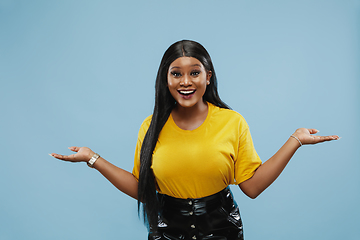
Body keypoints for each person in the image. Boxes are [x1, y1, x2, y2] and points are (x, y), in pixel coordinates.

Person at [50, 40, 339, 240]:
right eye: (176, 74)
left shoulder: (231, 121)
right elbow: (143, 190)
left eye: (194, 73)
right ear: (166, 79)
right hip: (166, 229)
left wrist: (295, 141)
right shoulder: (150, 127)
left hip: (222, 227)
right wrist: (93, 158)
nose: (185, 82)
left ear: (208, 77)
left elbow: (251, 187)